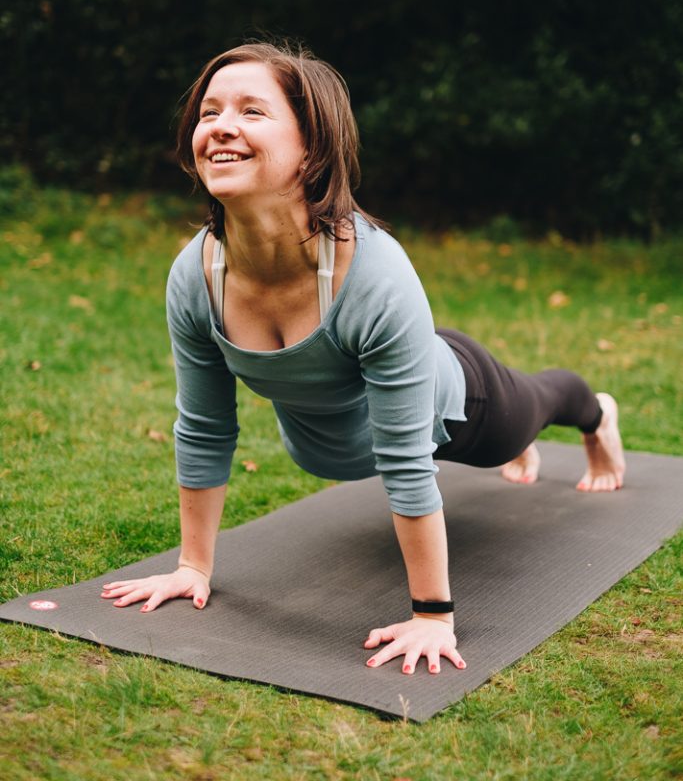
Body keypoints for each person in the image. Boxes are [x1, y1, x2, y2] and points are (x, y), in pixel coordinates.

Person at [101, 41, 625, 676]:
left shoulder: (371, 273)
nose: (221, 128)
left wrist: (432, 615)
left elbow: (406, 460)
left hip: (460, 403)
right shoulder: (197, 275)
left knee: (537, 406)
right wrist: (192, 566)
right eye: (209, 113)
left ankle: (597, 415)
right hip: (353, 417)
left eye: (251, 112)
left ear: (311, 147)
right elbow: (206, 426)